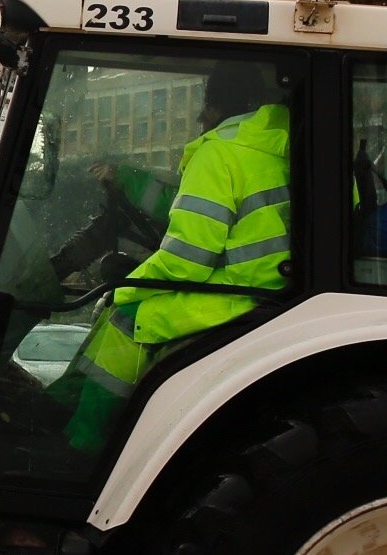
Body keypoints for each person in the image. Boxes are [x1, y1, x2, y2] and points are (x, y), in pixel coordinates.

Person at [64, 61, 292, 450]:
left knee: (126, 319)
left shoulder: (219, 154)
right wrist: (126, 180)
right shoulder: (286, 144)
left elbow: (185, 260)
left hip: (241, 293)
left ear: (213, 107)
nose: (199, 119)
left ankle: (83, 446)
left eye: (203, 108)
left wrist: (129, 287)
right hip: (279, 285)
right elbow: (187, 207)